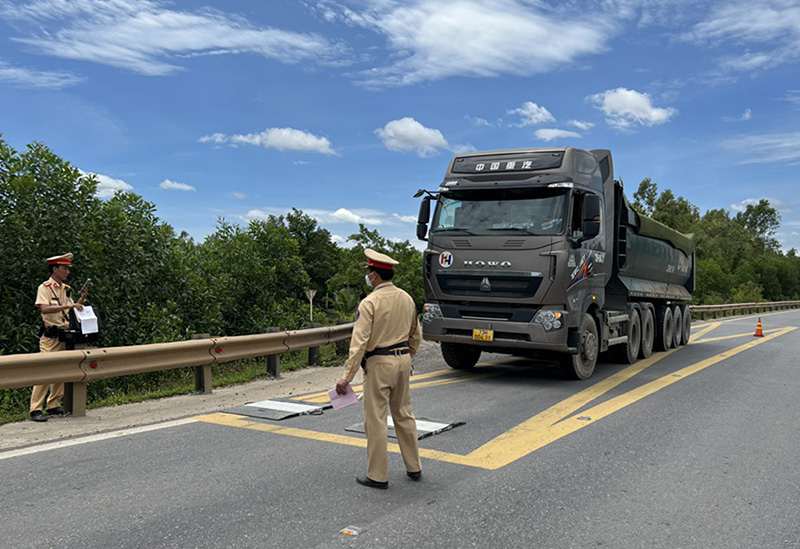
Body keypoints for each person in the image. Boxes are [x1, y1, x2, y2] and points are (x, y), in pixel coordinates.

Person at [336, 248, 423, 489]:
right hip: (403, 360)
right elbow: (416, 335)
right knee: (404, 414)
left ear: (374, 276)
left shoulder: (370, 302)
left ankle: (377, 475)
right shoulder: (407, 298)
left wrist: (346, 376)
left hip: (379, 363)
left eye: (368, 271)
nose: (367, 275)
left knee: (375, 419)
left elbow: (359, 342)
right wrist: (406, 355)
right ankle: (414, 466)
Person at [30, 253, 88, 422]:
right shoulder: (45, 288)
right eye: (64, 268)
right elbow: (44, 309)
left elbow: (69, 309)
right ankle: (35, 408)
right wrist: (68, 305)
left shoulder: (65, 289)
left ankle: (53, 404)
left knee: (61, 370)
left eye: (68, 268)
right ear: (54, 269)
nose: (67, 272)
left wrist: (81, 298)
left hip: (64, 334)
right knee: (45, 370)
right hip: (50, 335)